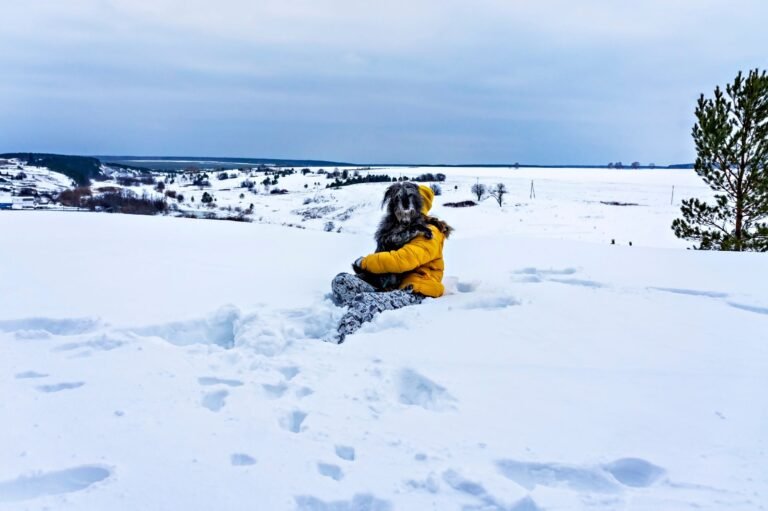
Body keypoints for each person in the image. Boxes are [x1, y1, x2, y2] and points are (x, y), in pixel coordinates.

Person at [330, 184, 452, 343]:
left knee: (364, 301)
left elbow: (402, 260)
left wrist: (365, 262)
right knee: (341, 281)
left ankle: (338, 341)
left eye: (410, 201)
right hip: (392, 286)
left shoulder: (430, 233)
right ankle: (367, 308)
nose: (403, 206)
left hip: (416, 290)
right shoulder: (396, 230)